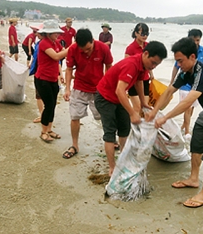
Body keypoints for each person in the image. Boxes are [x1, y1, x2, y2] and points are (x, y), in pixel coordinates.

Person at [145, 37, 203, 208]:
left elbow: (187, 102)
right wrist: (155, 111)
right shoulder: (185, 72)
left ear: (192, 57)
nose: (178, 65)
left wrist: (165, 118)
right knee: (196, 146)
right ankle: (194, 179)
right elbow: (170, 90)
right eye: (176, 61)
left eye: (180, 61)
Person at [95, 41, 167, 176]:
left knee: (124, 129)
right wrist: (133, 112)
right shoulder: (131, 64)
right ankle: (112, 167)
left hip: (118, 98)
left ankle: (123, 158)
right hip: (105, 98)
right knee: (110, 133)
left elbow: (139, 82)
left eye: (157, 65)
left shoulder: (143, 65)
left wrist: (142, 102)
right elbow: (120, 91)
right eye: (153, 62)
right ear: (145, 54)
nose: (153, 67)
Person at [62, 28, 113, 159]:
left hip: (99, 89)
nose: (86, 52)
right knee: (74, 117)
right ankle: (74, 145)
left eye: (88, 49)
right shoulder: (73, 49)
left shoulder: (103, 48)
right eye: (83, 50)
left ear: (92, 41)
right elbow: (68, 69)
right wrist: (67, 89)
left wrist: (109, 87)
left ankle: (112, 140)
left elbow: (109, 67)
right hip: (79, 88)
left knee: (105, 117)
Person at [170, 29, 203, 138]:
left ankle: (183, 127)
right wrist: (171, 83)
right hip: (185, 84)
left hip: (198, 86)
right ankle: (187, 132)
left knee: (192, 108)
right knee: (187, 107)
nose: (195, 43)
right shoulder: (183, 52)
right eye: (192, 40)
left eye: (197, 40)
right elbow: (176, 67)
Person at [34, 20, 69, 143]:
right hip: (43, 79)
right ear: (48, 33)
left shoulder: (55, 43)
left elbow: (59, 57)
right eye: (55, 33)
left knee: (53, 104)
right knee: (48, 105)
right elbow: (56, 56)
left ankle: (49, 129)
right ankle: (43, 132)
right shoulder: (44, 43)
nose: (58, 35)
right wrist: (72, 48)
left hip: (53, 78)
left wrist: (61, 74)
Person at [125, 23, 153, 113]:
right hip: (134, 81)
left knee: (145, 108)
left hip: (145, 79)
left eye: (146, 34)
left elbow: (150, 62)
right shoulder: (130, 48)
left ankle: (141, 126)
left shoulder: (148, 46)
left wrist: (151, 74)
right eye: (142, 34)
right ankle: (131, 125)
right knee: (137, 108)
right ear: (136, 33)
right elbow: (127, 66)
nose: (144, 36)